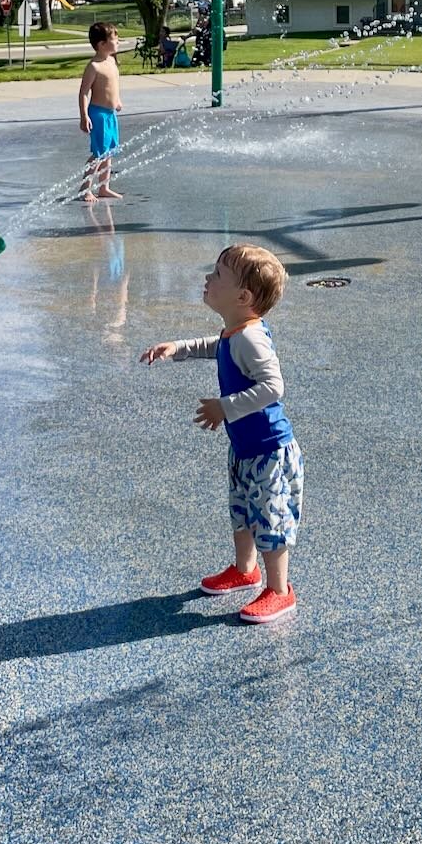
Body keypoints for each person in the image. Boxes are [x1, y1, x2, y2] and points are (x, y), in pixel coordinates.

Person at [140, 244, 302, 625]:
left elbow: (273, 387)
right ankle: (245, 570)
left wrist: (224, 407)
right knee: (243, 513)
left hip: (269, 451)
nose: (207, 279)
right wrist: (178, 348)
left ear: (243, 296)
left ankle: (280, 591)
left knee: (270, 520)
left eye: (216, 276)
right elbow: (218, 347)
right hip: (245, 448)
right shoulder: (236, 331)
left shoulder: (251, 339)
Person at [77, 21, 123, 201]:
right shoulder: (94, 66)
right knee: (98, 153)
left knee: (109, 152)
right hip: (98, 115)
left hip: (111, 114)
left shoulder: (111, 60)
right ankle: (85, 189)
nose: (118, 42)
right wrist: (84, 116)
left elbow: (112, 85)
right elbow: (83, 93)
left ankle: (104, 187)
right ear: (101, 44)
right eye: (115, 39)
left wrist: (117, 100)